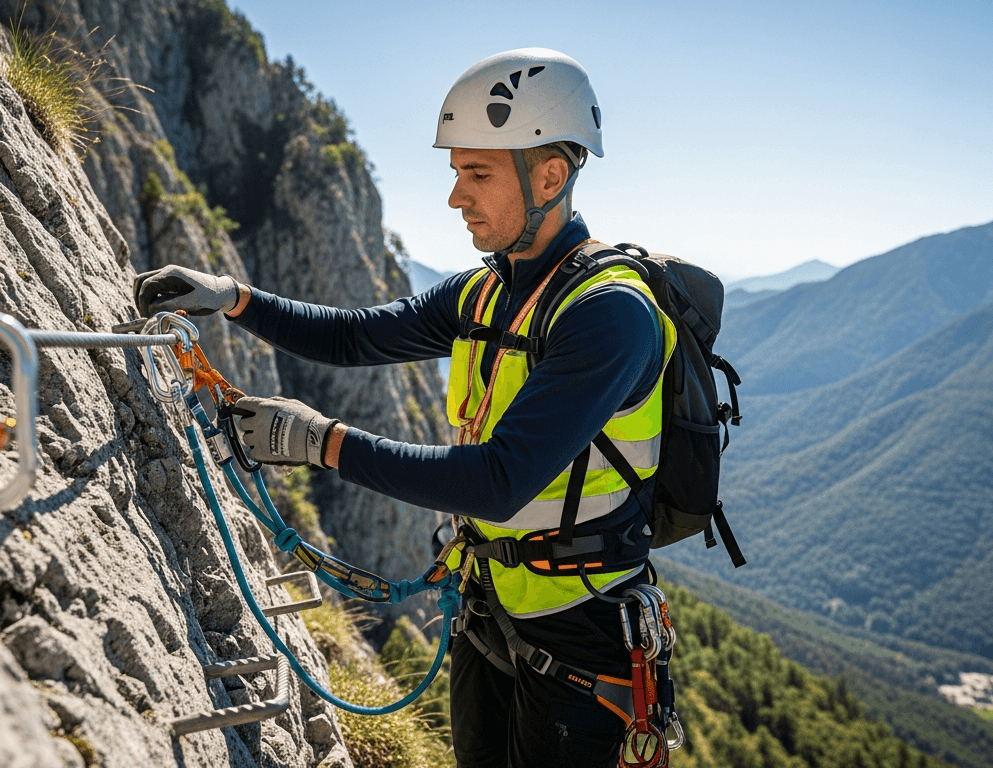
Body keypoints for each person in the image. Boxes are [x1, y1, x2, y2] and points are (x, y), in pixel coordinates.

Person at [133, 48, 676, 768]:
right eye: (457, 173)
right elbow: (357, 337)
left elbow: (497, 480)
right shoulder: (485, 291)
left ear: (550, 175)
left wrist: (319, 441)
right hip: (490, 602)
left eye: (477, 174)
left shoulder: (609, 315)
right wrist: (234, 298)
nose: (456, 197)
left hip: (584, 627)